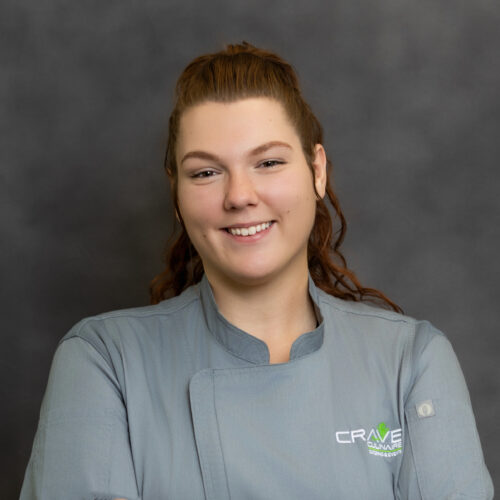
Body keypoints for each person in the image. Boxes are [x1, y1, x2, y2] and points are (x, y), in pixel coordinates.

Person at [20, 42, 493, 500]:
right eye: (206, 172)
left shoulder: (411, 361)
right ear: (177, 194)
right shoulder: (105, 361)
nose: (239, 196)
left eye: (268, 162)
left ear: (317, 171)